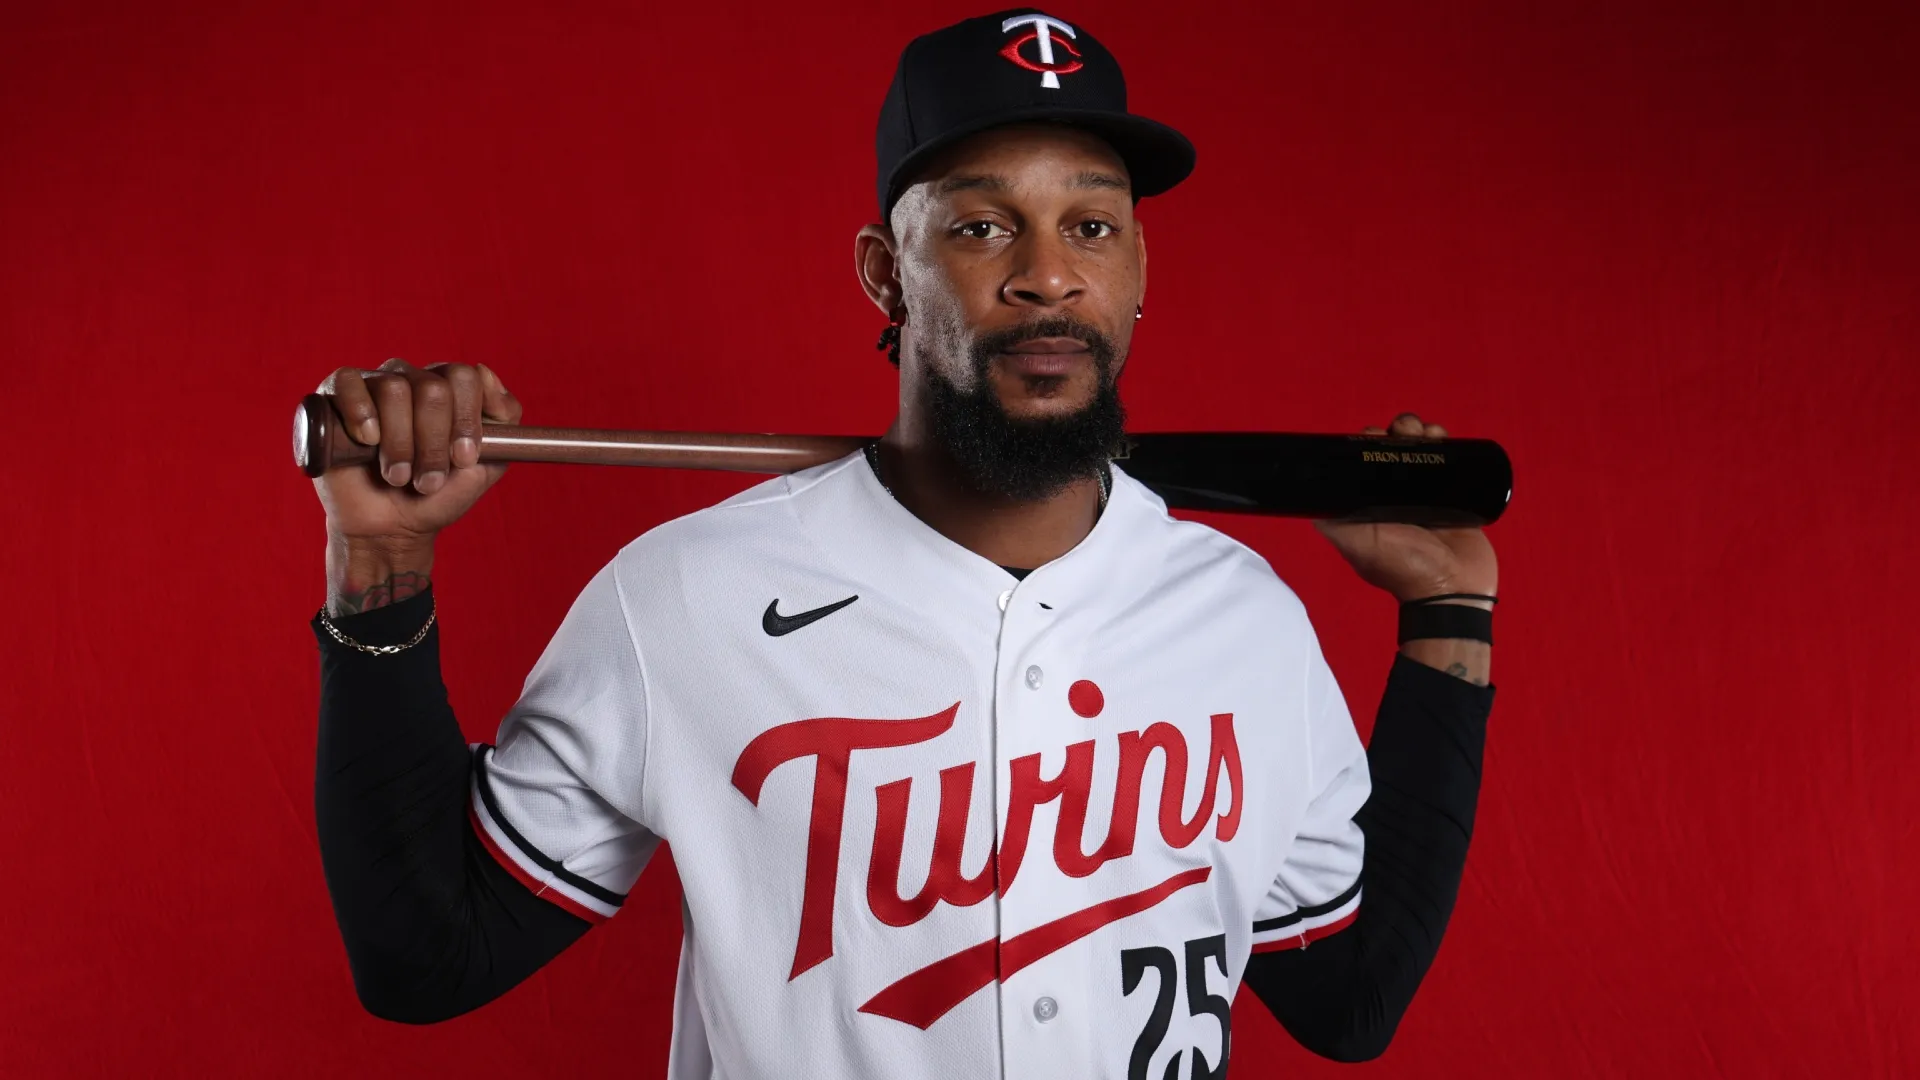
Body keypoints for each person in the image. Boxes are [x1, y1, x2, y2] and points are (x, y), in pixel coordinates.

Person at [308, 10, 1498, 1078]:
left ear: (1137, 273)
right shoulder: (687, 598)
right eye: (982, 227)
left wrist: (1450, 619)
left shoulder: (1244, 619)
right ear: (887, 275)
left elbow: (1347, 998)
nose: (1047, 275)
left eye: (1091, 223)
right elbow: (428, 961)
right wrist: (383, 571)